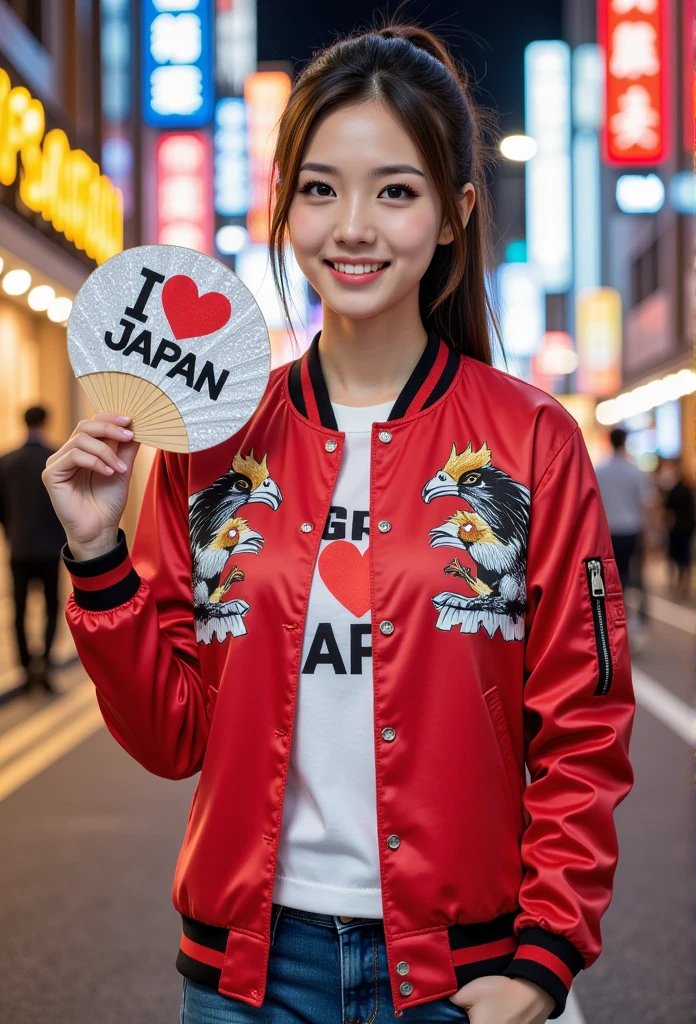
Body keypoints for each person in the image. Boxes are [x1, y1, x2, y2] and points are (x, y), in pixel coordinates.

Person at [42, 20, 635, 1024]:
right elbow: (171, 732)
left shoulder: (531, 439)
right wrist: (97, 552)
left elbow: (584, 725)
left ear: (453, 216)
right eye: (320, 188)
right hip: (245, 978)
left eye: (394, 191)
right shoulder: (213, 439)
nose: (352, 226)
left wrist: (544, 956)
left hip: (460, 973)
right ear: (283, 202)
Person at [0, 405, 66, 694]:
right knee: (52, 608)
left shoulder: (6, 462)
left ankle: (27, 669)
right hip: (51, 548)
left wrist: (11, 533)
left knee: (19, 610)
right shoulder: (55, 459)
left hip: (19, 548)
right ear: (46, 422)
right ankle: (46, 664)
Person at [594, 427, 652, 596]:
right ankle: (625, 603)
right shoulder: (634, 471)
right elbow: (646, 504)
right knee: (628, 570)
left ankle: (614, 605)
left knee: (610, 572)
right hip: (630, 529)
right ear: (625, 442)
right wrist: (647, 533)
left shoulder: (599, 471)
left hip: (607, 531)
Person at [661, 459, 695, 599]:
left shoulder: (673, 491)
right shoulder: (687, 489)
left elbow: (668, 512)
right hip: (687, 526)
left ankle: (676, 582)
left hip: (677, 528)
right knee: (684, 555)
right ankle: (684, 583)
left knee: (675, 555)